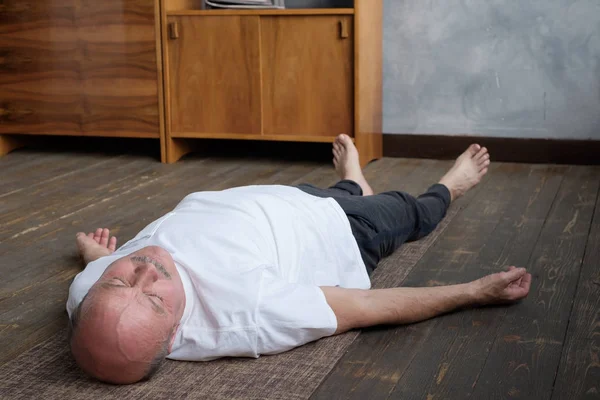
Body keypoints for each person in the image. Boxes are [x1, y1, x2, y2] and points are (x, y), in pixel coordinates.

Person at [67, 135, 532, 385]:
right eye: (152, 299)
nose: (145, 270)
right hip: (342, 232)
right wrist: (474, 292)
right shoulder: (248, 314)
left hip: (286, 201)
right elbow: (369, 308)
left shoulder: (86, 291)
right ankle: (450, 185)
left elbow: (97, 273)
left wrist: (97, 255)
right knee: (408, 213)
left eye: (120, 280)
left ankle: (353, 181)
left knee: (344, 191)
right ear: (174, 337)